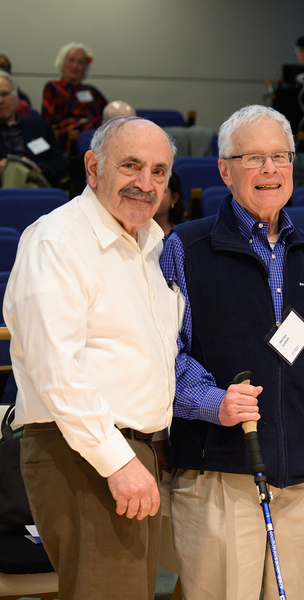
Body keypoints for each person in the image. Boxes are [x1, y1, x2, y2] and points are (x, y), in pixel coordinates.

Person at [160, 104, 304, 600]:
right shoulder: (185, 247)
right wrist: (213, 401)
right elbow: (165, 354)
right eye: (253, 158)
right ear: (225, 170)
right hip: (221, 473)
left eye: (280, 156)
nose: (270, 170)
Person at [3, 115, 179, 599]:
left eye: (159, 172)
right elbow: (54, 369)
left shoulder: (150, 244)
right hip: (83, 453)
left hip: (128, 450)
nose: (146, 184)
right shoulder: (57, 240)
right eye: (131, 166)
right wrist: (117, 462)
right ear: (92, 166)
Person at [0, 71, 66, 187]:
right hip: (7, 185)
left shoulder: (40, 128)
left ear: (16, 97)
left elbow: (60, 165)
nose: (0, 101)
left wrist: (39, 168)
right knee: (18, 173)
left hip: (39, 179)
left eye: (5, 94)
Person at [42, 42, 108, 145]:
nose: (75, 66)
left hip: (97, 134)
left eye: (80, 62)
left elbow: (107, 112)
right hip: (69, 137)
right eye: (71, 60)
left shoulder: (91, 90)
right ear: (62, 62)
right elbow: (49, 120)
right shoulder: (53, 87)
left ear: (85, 67)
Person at [153, 171, 184, 237]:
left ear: (174, 198)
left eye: (161, 190)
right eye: (151, 189)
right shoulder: (133, 234)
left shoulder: (182, 235)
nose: (154, 195)